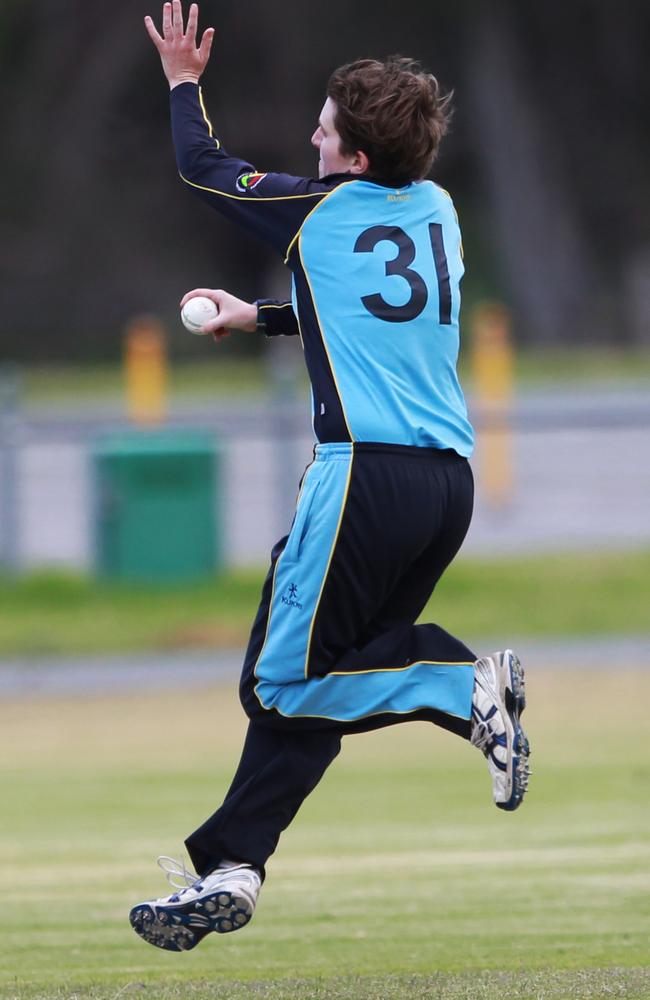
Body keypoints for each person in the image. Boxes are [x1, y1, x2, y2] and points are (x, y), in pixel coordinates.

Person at [131, 0, 530, 953]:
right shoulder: (436, 211)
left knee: (281, 686)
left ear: (350, 156)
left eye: (323, 127)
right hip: (445, 487)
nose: (311, 135)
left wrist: (185, 83)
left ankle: (458, 683)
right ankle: (232, 865)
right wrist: (257, 319)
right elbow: (365, 319)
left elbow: (201, 165)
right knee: (318, 679)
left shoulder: (319, 207)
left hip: (363, 483)